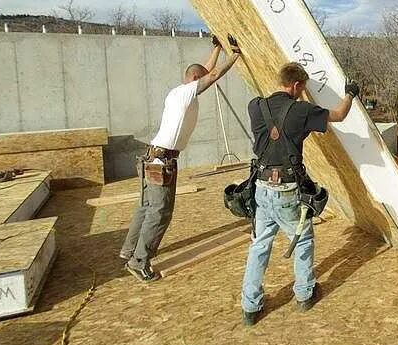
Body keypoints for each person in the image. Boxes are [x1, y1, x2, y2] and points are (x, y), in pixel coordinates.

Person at [240, 61, 359, 325]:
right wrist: (350, 93)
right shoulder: (302, 111)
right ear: (297, 85)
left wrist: (297, 90)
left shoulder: (255, 106)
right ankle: (305, 294)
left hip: (260, 188)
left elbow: (277, 112)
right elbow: (339, 115)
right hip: (286, 190)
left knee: (259, 246)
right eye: (302, 87)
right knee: (303, 240)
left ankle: (250, 307)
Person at [120, 33, 242, 282]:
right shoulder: (187, 93)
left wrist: (216, 49)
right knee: (160, 212)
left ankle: (129, 251)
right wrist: (235, 56)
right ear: (195, 80)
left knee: (146, 208)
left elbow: (205, 71)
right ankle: (139, 261)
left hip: (151, 157)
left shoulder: (179, 91)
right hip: (161, 162)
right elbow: (214, 74)